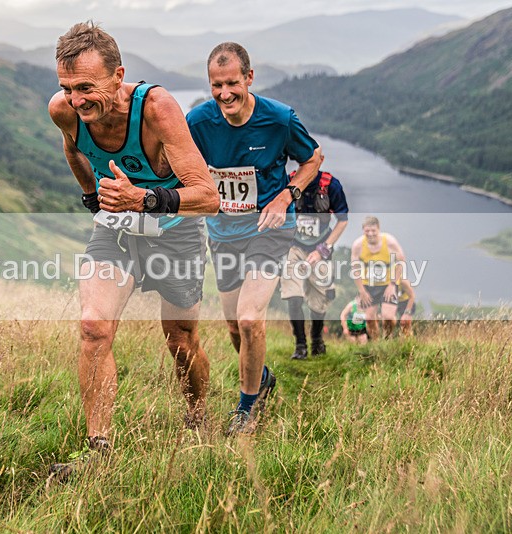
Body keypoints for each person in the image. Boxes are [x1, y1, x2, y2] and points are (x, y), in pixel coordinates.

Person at [47, 21, 220, 480]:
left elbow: (208, 195)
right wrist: (93, 199)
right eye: (67, 88)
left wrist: (143, 199)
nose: (76, 100)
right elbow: (73, 151)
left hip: (175, 230)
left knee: (180, 341)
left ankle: (198, 415)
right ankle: (99, 454)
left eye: (86, 87)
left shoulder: (157, 109)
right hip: (118, 230)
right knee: (93, 329)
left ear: (118, 75)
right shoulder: (63, 110)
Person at [186, 42, 322, 435]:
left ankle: (246, 410)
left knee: (250, 319)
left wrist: (286, 195)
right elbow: (179, 166)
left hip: (270, 229)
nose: (224, 93)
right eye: (216, 85)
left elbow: (312, 158)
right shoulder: (197, 122)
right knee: (234, 328)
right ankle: (260, 377)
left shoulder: (279, 119)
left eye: (231, 83)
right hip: (224, 233)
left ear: (249, 78)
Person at [280, 162, 349, 360]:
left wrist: (323, 250)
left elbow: (343, 220)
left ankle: (317, 340)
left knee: (320, 301)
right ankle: (300, 345)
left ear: (319, 161)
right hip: (294, 247)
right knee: (293, 295)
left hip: (321, 248)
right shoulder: (288, 182)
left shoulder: (331, 186)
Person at [349, 216, 406, 340]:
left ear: (378, 229)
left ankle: (388, 337)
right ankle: (376, 344)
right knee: (369, 318)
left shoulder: (389, 241)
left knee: (388, 317)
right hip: (368, 285)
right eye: (367, 231)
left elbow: (401, 261)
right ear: (363, 230)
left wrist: (392, 284)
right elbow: (355, 269)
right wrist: (362, 291)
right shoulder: (358, 245)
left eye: (373, 231)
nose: (370, 234)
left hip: (388, 284)